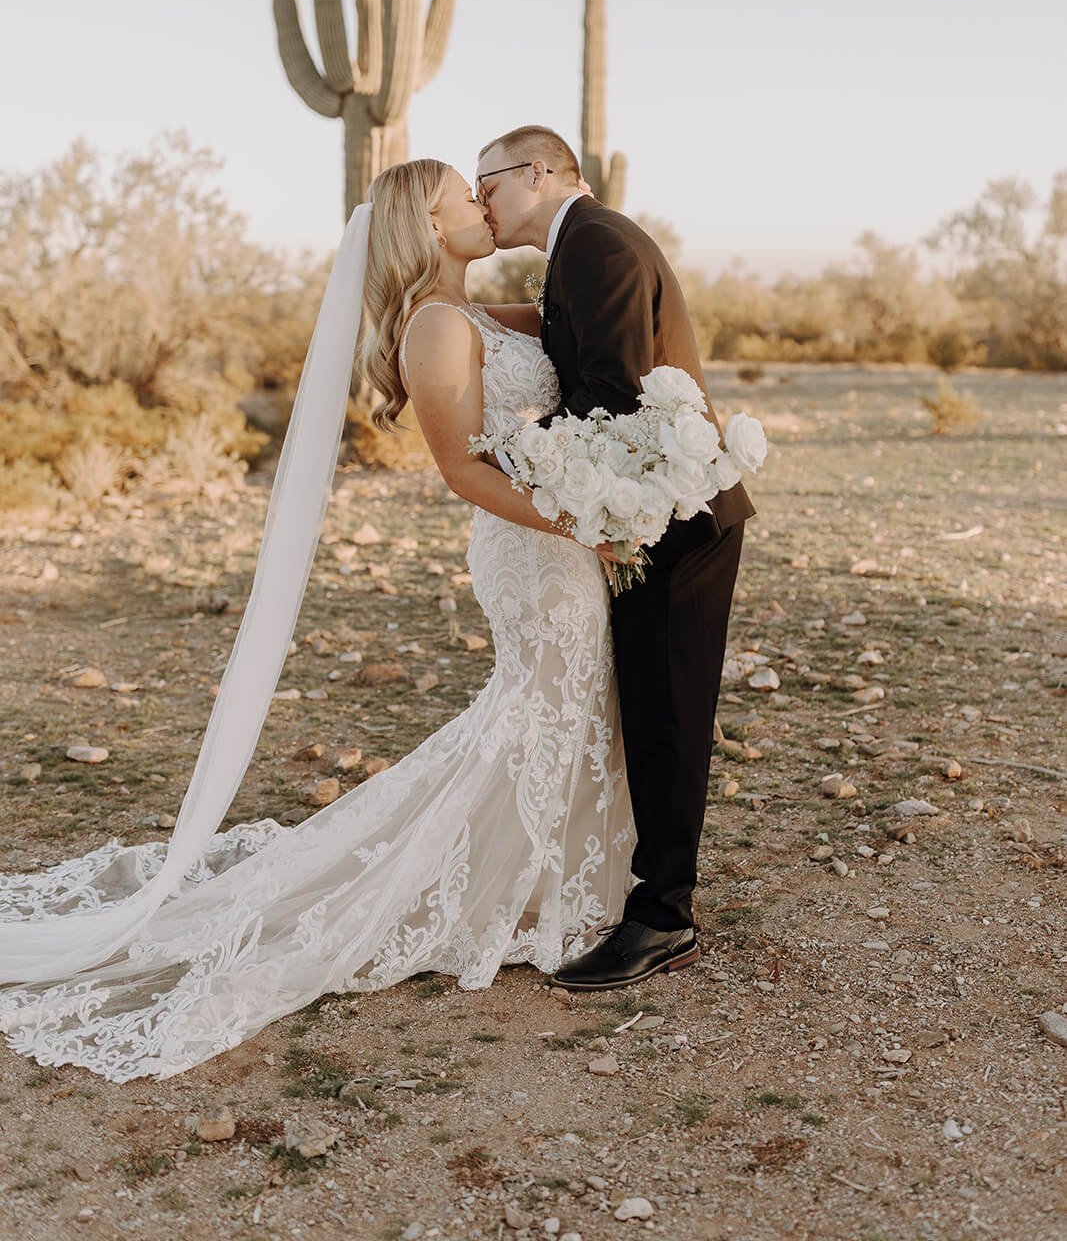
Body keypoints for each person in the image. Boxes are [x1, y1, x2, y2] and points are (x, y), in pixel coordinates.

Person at [0, 158, 636, 1082]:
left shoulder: (468, 315)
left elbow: (572, 329)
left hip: (556, 539)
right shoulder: (430, 329)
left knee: (557, 709)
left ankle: (552, 877)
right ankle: (514, 888)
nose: (481, 203)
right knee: (540, 709)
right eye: (463, 192)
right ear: (425, 223)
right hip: (532, 549)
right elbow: (462, 470)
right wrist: (586, 521)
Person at [475, 126, 755, 991]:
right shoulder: (577, 251)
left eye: (487, 183)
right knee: (645, 705)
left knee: (667, 713)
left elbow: (616, 392)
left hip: (673, 517)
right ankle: (642, 891)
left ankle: (663, 919)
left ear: (539, 172)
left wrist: (509, 458)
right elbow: (583, 359)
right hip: (645, 510)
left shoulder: (595, 242)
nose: (481, 202)